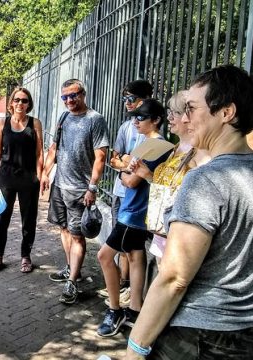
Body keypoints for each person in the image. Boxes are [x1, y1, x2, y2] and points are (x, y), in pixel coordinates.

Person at [125, 65, 253, 359]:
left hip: (198, 337)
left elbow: (174, 278)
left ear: (226, 113)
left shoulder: (205, 180)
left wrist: (135, 348)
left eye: (192, 108)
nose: (185, 119)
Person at [97, 99, 170, 337]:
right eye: (134, 116)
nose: (135, 121)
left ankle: (114, 309)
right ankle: (135, 310)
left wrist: (124, 168)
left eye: (141, 117)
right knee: (135, 256)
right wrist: (126, 166)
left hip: (133, 213)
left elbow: (130, 180)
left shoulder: (155, 147)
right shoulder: (151, 144)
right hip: (138, 212)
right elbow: (122, 163)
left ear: (156, 119)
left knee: (104, 256)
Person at [41, 78, 109, 304]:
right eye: (65, 97)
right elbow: (55, 148)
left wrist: (92, 187)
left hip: (80, 190)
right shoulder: (64, 117)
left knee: (78, 236)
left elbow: (101, 156)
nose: (69, 100)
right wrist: (45, 173)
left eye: (73, 95)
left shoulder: (95, 120)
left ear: (83, 94)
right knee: (64, 228)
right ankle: (72, 268)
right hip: (60, 185)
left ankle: (72, 282)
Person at [130, 91, 209, 263]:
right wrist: (147, 175)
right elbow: (168, 188)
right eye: (170, 112)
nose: (170, 117)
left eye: (176, 113)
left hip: (178, 233)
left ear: (190, 117)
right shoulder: (175, 148)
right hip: (162, 228)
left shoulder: (199, 153)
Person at [98, 80, 153, 308]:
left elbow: (137, 171)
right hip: (121, 192)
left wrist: (126, 167)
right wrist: (125, 165)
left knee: (129, 249)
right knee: (126, 247)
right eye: (125, 99)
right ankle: (123, 285)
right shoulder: (126, 127)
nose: (127, 104)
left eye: (131, 99)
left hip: (138, 198)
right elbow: (115, 157)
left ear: (145, 99)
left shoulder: (152, 133)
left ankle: (128, 295)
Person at [0, 87, 44, 273]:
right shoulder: (2, 123)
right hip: (5, 177)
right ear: (11, 102)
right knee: (1, 217)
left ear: (29, 104)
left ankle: (26, 256)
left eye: (24, 100)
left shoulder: (35, 123)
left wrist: (40, 176)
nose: (20, 103)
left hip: (28, 178)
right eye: (17, 100)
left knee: (28, 219)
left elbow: (39, 153)